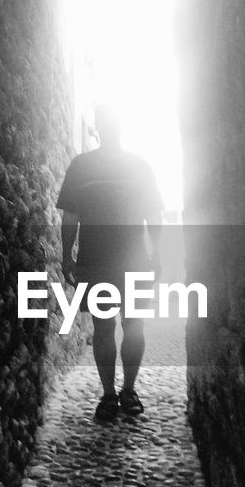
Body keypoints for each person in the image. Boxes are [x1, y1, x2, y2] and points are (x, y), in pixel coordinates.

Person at [57, 105, 163, 421]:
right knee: (117, 326)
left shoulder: (87, 166)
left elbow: (153, 214)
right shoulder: (90, 166)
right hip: (106, 259)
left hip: (117, 259)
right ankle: (115, 394)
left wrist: (67, 256)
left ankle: (120, 394)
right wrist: (67, 255)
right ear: (101, 128)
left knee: (125, 326)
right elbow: (71, 217)